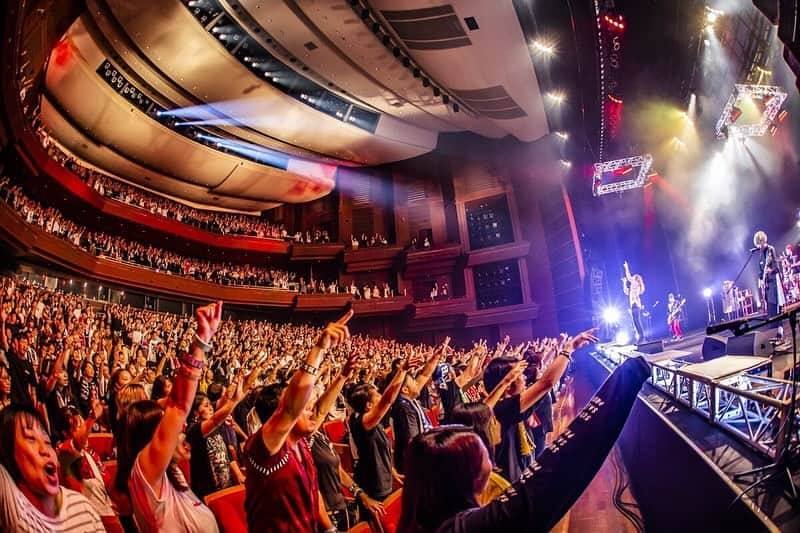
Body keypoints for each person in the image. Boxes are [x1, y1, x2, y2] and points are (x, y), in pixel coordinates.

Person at [397, 356, 651, 533]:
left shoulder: (430, 521)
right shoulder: (467, 528)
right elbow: (556, 472)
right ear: (463, 476)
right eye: (481, 451)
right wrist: (625, 380)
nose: (489, 442)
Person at [116, 301, 223, 532]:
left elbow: (174, 400)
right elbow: (177, 405)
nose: (181, 429)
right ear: (152, 438)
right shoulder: (146, 472)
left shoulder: (172, 474)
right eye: (169, 427)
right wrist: (201, 341)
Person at [244, 309, 352, 532]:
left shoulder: (302, 443)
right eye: (305, 407)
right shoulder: (265, 448)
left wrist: (329, 529)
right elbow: (290, 406)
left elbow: (314, 493)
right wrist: (319, 348)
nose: (311, 410)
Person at [482, 330, 597, 481]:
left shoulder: (504, 407)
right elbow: (546, 383)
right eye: (519, 375)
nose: (524, 378)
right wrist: (569, 348)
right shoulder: (501, 410)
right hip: (510, 485)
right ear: (507, 384)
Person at [0, 404, 105, 531]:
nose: (45, 450)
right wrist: (92, 418)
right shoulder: (16, 515)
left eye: (47, 441)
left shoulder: (83, 508)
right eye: (31, 439)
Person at [391, 340, 447, 474]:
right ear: (404, 389)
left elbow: (425, 374)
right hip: (416, 464)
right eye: (413, 382)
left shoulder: (409, 399)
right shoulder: (404, 408)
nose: (417, 384)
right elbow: (413, 441)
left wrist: (435, 357)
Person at [755, 231, 784, 321]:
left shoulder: (770, 250)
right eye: (758, 245)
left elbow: (777, 267)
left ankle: (779, 327)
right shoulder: (760, 255)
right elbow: (760, 270)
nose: (759, 247)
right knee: (769, 307)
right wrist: (760, 281)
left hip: (773, 282)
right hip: (766, 285)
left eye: (760, 244)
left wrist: (771, 270)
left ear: (763, 242)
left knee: (775, 306)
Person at [623, 261, 646, 342]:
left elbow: (628, 276)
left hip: (635, 305)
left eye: (634, 277)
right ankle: (641, 337)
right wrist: (624, 282)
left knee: (637, 321)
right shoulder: (634, 286)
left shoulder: (635, 284)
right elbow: (626, 292)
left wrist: (626, 267)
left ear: (636, 279)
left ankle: (641, 337)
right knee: (636, 321)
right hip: (634, 305)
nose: (632, 278)